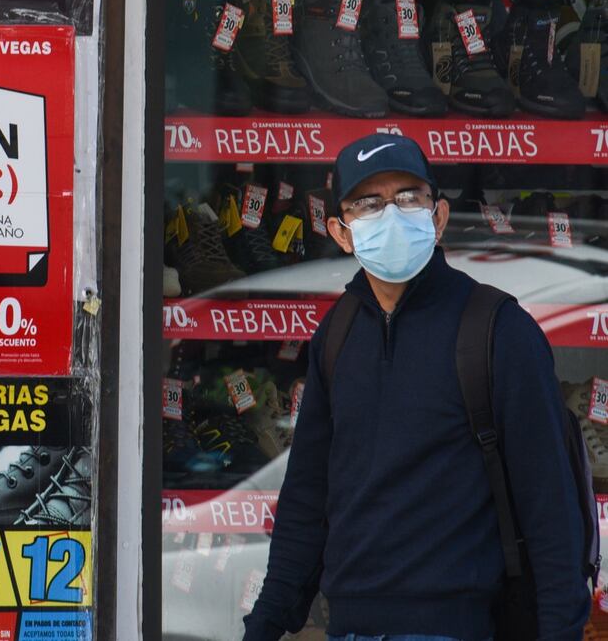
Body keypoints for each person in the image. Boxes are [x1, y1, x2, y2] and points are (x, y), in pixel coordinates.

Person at [242, 134, 591, 641]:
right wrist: (264, 627)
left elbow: (551, 513)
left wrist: (561, 632)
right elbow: (306, 504)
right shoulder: (336, 337)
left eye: (408, 198)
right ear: (341, 233)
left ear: (438, 217)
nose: (391, 214)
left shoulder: (498, 331)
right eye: (368, 203)